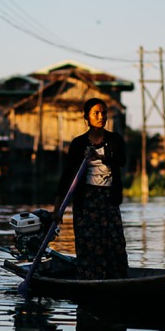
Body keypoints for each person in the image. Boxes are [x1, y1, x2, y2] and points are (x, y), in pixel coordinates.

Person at [53, 98, 128, 280]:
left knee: (114, 242)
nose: (101, 116)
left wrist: (100, 157)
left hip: (108, 199)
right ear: (86, 117)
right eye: (96, 113)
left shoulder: (115, 140)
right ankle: (89, 279)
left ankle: (116, 279)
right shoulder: (79, 144)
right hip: (86, 200)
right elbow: (67, 175)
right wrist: (58, 207)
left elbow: (121, 161)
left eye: (103, 113)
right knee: (88, 243)